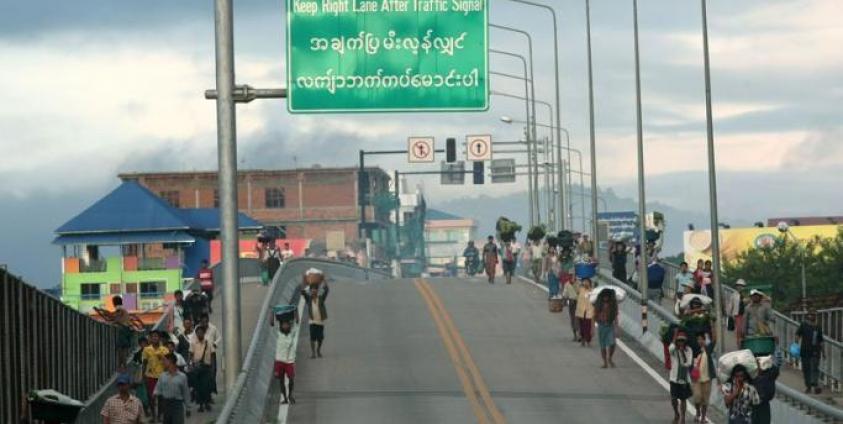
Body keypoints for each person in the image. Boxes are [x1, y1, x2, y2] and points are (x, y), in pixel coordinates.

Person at [155, 353, 190, 424]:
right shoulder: (162, 376)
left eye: (165, 360)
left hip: (177, 405)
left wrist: (188, 407)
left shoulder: (182, 377)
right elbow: (157, 391)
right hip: (166, 404)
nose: (163, 363)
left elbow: (186, 392)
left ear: (170, 361)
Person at [142, 331, 169, 421]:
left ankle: (160, 415)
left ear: (159, 338)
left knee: (161, 397)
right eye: (153, 336)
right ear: (150, 338)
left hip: (162, 376)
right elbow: (144, 363)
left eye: (156, 336)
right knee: (151, 397)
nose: (155, 338)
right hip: (150, 376)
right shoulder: (146, 349)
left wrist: (162, 357)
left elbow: (168, 364)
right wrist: (143, 376)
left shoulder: (164, 350)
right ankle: (153, 415)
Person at [795, 310, 824, 394]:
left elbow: (821, 340)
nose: (812, 316)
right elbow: (797, 334)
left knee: (815, 368)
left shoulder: (818, 327)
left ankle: (815, 385)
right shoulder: (803, 325)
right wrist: (796, 344)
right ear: (807, 316)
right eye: (810, 315)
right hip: (805, 351)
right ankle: (808, 386)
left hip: (815, 351)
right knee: (806, 369)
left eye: (813, 315)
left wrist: (823, 352)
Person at [669, 332, 693, 424]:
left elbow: (688, 363)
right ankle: (676, 413)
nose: (681, 343)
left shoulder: (688, 350)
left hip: (684, 378)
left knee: (683, 399)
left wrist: (682, 352)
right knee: (673, 398)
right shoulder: (674, 349)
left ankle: (683, 417)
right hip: (674, 377)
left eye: (682, 341)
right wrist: (675, 336)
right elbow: (670, 348)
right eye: (679, 341)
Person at [302, 278, 329, 358]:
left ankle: (318, 350)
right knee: (312, 338)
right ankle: (313, 353)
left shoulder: (321, 298)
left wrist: (324, 282)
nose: (314, 291)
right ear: (310, 291)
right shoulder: (309, 299)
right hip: (312, 322)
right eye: (312, 289)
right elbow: (303, 292)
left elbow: (326, 291)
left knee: (320, 338)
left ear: (317, 290)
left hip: (320, 321)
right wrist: (305, 283)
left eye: (315, 289)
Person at [691, 333, 716, 424]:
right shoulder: (694, 350)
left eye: (701, 339)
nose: (700, 341)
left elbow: (714, 340)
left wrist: (713, 324)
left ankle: (703, 417)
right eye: (698, 339)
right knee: (697, 397)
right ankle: (698, 412)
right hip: (696, 379)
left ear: (704, 340)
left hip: (707, 379)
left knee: (705, 400)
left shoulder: (707, 350)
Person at [189, 325, 215, 412]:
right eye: (198, 333)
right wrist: (191, 365)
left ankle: (207, 403)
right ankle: (200, 405)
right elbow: (191, 355)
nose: (200, 334)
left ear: (204, 333)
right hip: (197, 368)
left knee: (207, 387)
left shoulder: (208, 342)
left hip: (206, 367)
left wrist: (213, 367)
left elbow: (212, 355)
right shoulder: (193, 343)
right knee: (198, 387)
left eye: (201, 332)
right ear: (196, 334)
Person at [275, 319, 299, 404]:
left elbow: (297, 322)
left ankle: (290, 395)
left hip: (289, 360)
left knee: (291, 378)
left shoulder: (292, 333)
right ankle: (285, 397)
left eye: (287, 325)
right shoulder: (278, 334)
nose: (285, 326)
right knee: (281, 380)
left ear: (289, 326)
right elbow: (272, 324)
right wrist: (272, 312)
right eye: (283, 325)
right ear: (281, 326)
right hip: (280, 360)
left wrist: (295, 311)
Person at [594, 288, 619, 368]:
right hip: (601, 326)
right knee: (603, 345)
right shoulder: (598, 304)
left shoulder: (613, 305)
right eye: (604, 296)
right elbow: (594, 316)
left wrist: (616, 327)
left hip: (609, 325)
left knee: (612, 343)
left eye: (607, 296)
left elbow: (615, 316)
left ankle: (610, 357)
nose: (605, 298)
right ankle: (605, 362)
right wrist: (592, 328)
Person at [752, 354, 780, 424]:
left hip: (762, 407)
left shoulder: (768, 375)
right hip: (754, 408)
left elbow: (775, 371)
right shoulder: (751, 376)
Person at [727, 279, 747, 347]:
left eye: (741, 286)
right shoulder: (734, 295)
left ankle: (744, 343)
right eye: (738, 286)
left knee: (744, 330)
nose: (740, 287)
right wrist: (729, 314)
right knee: (739, 330)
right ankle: (739, 343)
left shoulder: (746, 295)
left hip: (745, 314)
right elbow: (730, 305)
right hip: (737, 314)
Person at [576, 278, 595, 346]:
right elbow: (576, 288)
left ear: (590, 283)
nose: (585, 283)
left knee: (588, 326)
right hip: (581, 310)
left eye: (587, 282)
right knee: (581, 326)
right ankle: (582, 339)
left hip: (589, 311)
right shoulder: (581, 289)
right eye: (584, 282)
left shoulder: (592, 291)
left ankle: (588, 340)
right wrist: (580, 283)